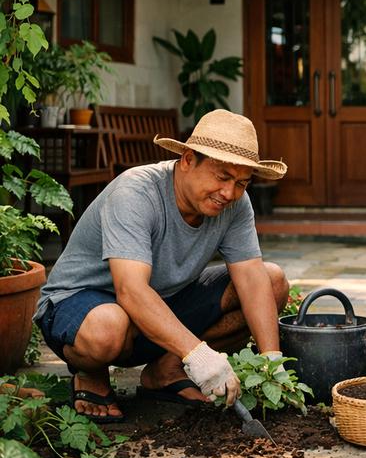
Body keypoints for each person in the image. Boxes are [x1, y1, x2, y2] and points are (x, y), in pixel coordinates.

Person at [34, 110, 291, 423]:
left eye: (241, 183)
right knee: (108, 327)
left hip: (158, 304)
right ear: (187, 160)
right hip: (81, 306)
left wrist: (271, 363)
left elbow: (251, 278)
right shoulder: (135, 193)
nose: (229, 193)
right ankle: (91, 374)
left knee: (272, 281)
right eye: (222, 177)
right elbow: (130, 291)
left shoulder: (235, 204)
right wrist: (199, 354)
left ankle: (166, 370)